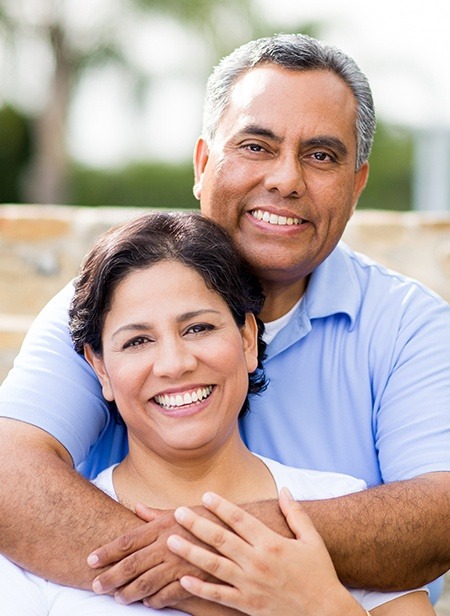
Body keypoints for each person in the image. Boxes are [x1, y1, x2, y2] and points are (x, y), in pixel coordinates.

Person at [0, 32, 448, 609]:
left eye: (320, 155)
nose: (286, 179)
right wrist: (220, 585)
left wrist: (219, 554)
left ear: (357, 184)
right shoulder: (104, 306)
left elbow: (439, 515)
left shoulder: (411, 327)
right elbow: (11, 475)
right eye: (257, 146)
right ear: (204, 163)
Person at [0, 210, 433, 615]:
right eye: (137, 341)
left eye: (198, 328)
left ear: (247, 339)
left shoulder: (338, 507)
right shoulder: (34, 548)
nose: (174, 363)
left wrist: (319, 604)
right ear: (100, 369)